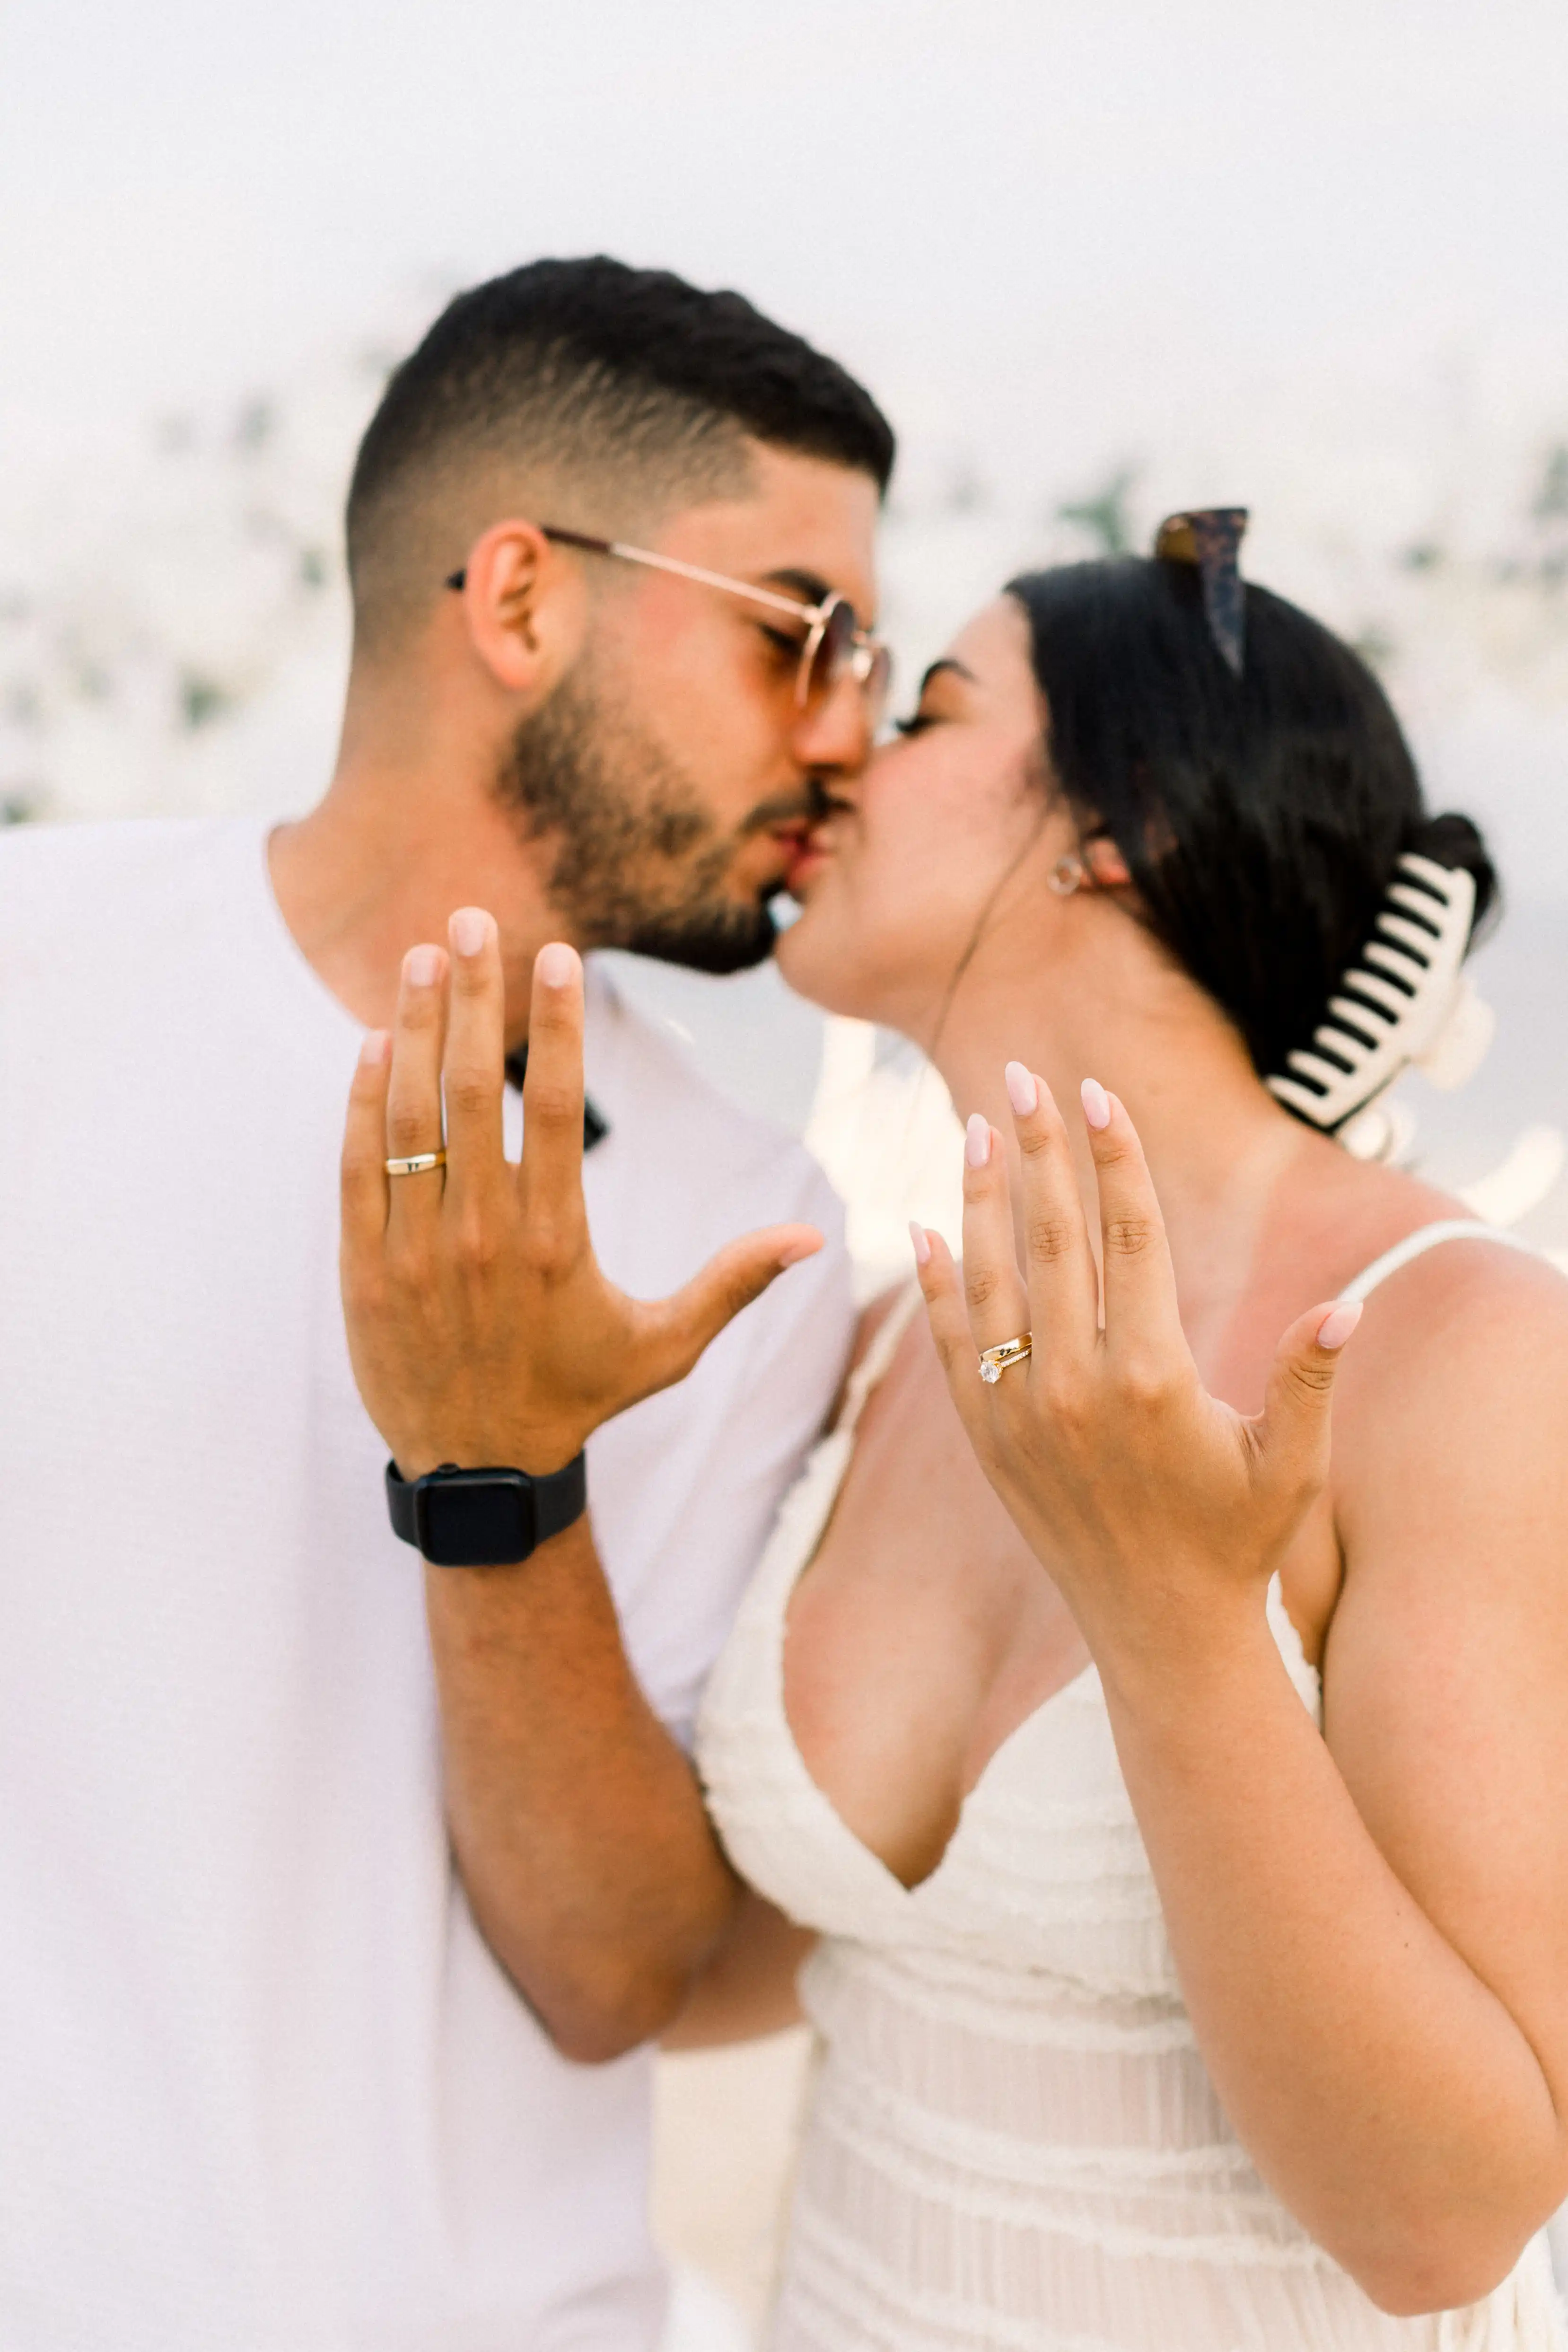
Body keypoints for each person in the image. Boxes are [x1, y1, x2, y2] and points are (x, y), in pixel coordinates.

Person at [0, 255, 896, 2349]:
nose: (847, 730)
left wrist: (503, 1474)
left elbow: (614, 1978)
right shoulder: (30, 976)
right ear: (517, 601)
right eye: (804, 632)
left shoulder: (751, 1223)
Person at [683, 524, 1568, 2344]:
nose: (838, 751)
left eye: (931, 711)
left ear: (1125, 825)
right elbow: (710, 1979)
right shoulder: (889, 1342)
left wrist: (1174, 1626)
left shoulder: (1459, 1354)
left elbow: (1444, 2221)